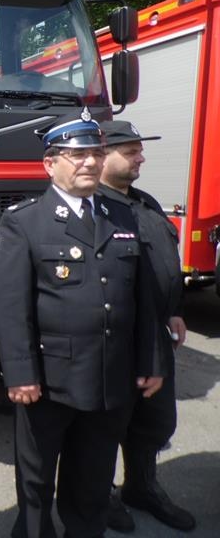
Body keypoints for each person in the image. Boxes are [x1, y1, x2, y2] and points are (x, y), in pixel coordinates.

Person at [0, 109, 165, 538]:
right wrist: (20, 374)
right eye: (77, 154)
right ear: (50, 164)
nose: (90, 162)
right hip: (48, 383)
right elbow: (10, 306)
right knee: (36, 484)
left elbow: (144, 301)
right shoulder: (24, 221)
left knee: (92, 483)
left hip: (109, 379)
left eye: (96, 153)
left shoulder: (123, 216)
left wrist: (152, 361)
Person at [97, 120, 196, 533]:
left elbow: (165, 261)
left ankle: (141, 486)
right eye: (131, 151)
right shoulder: (93, 207)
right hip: (115, 337)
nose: (141, 158)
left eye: (140, 150)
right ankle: (98, 494)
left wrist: (174, 309)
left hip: (155, 333)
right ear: (102, 156)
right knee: (107, 424)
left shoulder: (145, 202)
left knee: (154, 420)